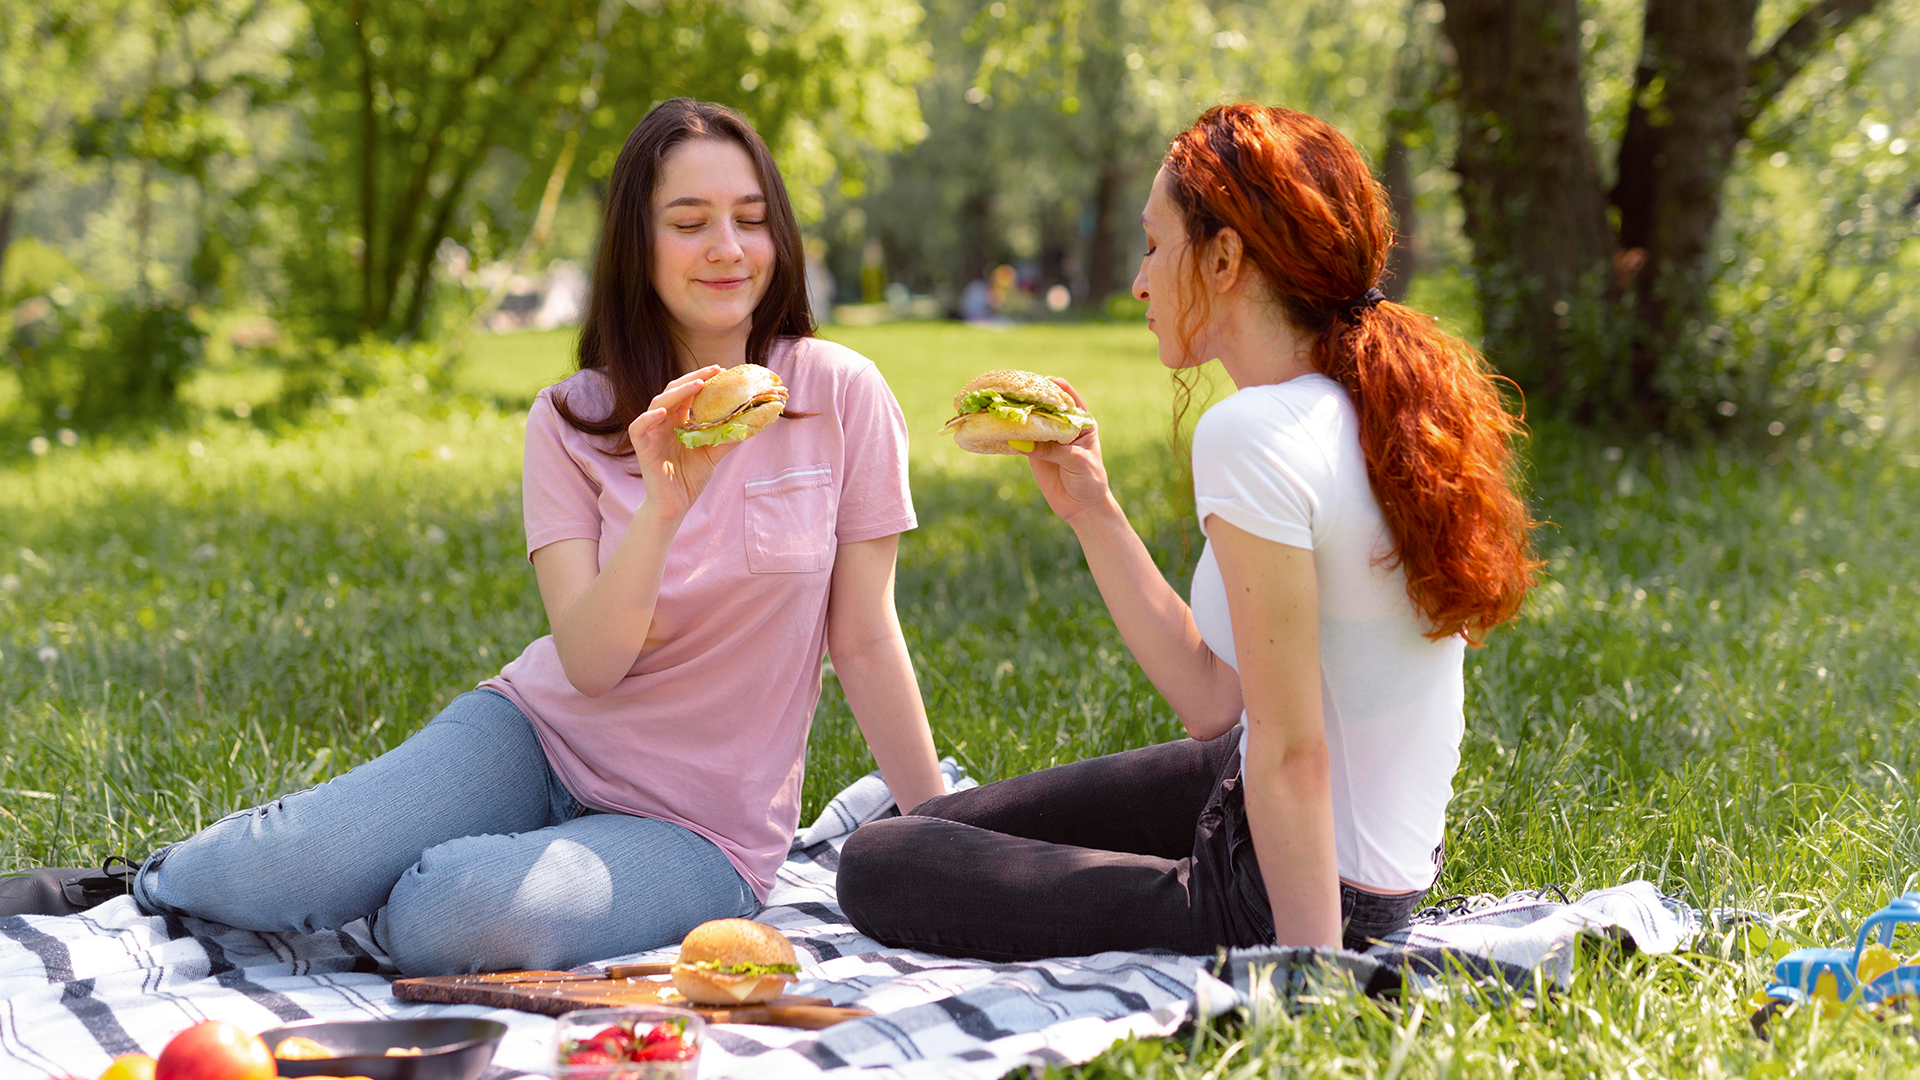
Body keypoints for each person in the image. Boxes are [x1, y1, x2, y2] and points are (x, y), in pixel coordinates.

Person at [0, 99, 946, 975]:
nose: (728, 249)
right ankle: (141, 881)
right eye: (690, 222)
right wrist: (663, 504)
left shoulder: (839, 396)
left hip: (699, 831)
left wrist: (948, 835)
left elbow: (863, 638)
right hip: (537, 735)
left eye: (750, 218)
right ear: (638, 246)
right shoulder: (569, 421)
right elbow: (590, 666)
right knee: (288, 862)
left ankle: (397, 897)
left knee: (452, 915)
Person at [837, 103, 1540, 960]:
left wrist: (1308, 982)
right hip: (1327, 841)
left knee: (878, 860)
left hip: (1285, 891)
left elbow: (1293, 753)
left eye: (1153, 244)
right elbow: (1215, 701)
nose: (1139, 281)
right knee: (939, 822)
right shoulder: (1371, 409)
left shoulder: (1255, 434)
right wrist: (1092, 508)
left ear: (1224, 256)